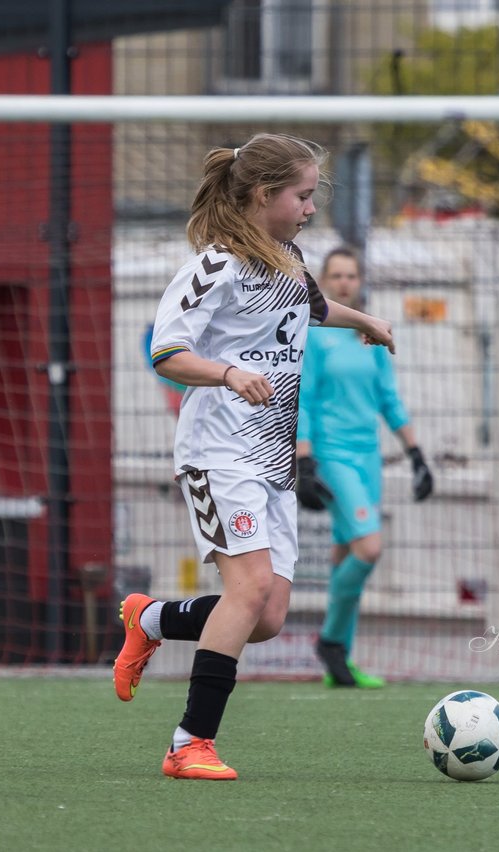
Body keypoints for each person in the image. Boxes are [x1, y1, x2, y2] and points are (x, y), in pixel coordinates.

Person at [113, 133, 395, 780]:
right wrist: (226, 373)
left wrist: (364, 322)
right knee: (249, 591)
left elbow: (312, 308)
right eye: (302, 195)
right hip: (218, 452)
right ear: (265, 195)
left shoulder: (289, 258)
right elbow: (166, 351)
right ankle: (189, 743)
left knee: (265, 618)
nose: (311, 208)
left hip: (272, 461)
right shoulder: (214, 265)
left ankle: (149, 618)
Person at [295, 247, 433, 688]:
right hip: (332, 456)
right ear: (322, 281)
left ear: (360, 282)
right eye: (335, 275)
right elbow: (305, 398)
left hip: (368, 458)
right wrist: (304, 457)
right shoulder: (314, 334)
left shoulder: (368, 334)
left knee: (344, 555)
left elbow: (388, 400)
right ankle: (331, 641)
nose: (344, 282)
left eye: (351, 275)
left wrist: (416, 454)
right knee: (369, 549)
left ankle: (341, 662)